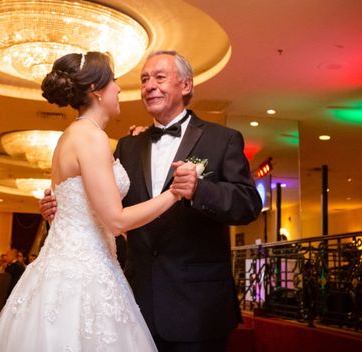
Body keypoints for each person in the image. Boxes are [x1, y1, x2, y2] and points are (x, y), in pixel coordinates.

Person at [41, 50, 263, 351]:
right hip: (133, 302)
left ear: (185, 86)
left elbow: (248, 203)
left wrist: (200, 190)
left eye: (159, 77)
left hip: (197, 305)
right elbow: (108, 211)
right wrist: (60, 210)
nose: (148, 86)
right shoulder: (128, 146)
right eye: (144, 79)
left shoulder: (222, 139)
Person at [0, 51, 183, 351]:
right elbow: (115, 220)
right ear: (96, 90)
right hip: (83, 275)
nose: (119, 89)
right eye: (114, 81)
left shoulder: (71, 136)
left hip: (69, 265)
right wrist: (174, 192)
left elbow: (66, 208)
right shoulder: (91, 138)